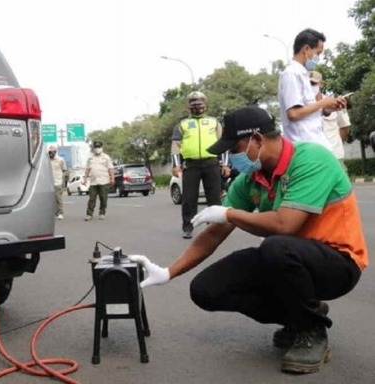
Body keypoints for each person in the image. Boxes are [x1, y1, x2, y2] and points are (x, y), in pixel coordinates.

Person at [141, 106, 367, 374]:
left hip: (338, 263)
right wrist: (169, 272)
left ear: (257, 140)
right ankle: (301, 316)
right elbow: (215, 232)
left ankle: (311, 331)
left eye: (235, 149)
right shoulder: (250, 179)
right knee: (206, 289)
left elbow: (285, 224)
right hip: (288, 259)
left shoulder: (311, 160)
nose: (233, 158)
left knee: (275, 246)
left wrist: (230, 213)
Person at [171, 91, 230, 239]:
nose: (197, 106)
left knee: (214, 197)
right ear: (188, 106)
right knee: (189, 198)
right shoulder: (182, 124)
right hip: (191, 165)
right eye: (193, 103)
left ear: (205, 104)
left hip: (211, 163)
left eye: (200, 103)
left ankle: (215, 226)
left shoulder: (214, 122)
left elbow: (223, 143)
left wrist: (225, 164)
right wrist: (176, 165)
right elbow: (175, 145)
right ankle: (188, 227)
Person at [278, 29, 346, 149]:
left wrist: (329, 108)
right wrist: (322, 103)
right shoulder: (291, 74)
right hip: (305, 146)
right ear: (306, 49)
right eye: (318, 53)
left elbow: (309, 111)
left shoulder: (304, 75)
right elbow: (293, 113)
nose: (318, 58)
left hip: (316, 144)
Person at [83, 141, 114, 221]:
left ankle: (102, 213)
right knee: (92, 198)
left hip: (104, 181)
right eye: (96, 147)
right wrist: (85, 178)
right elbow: (87, 169)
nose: (97, 149)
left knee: (103, 198)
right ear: (94, 148)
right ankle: (89, 214)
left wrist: (112, 178)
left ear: (101, 147)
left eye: (99, 147)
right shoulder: (90, 158)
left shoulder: (106, 157)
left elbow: (110, 168)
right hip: (93, 181)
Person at [49, 145, 67, 220]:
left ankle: (60, 213)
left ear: (55, 152)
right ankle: (54, 212)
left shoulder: (60, 160)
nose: (50, 154)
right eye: (49, 152)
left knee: (58, 198)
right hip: (49, 182)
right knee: (50, 199)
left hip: (57, 181)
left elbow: (64, 169)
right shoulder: (47, 160)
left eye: (52, 152)